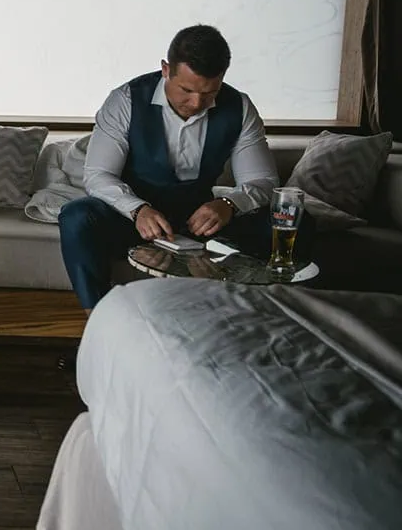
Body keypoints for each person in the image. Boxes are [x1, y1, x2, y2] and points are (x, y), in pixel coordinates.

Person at [57, 24, 307, 314]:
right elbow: (98, 175)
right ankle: (97, 316)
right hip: (135, 219)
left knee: (298, 222)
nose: (197, 103)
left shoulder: (239, 106)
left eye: (209, 92)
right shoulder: (125, 100)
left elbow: (262, 180)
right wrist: (137, 209)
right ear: (166, 69)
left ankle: (270, 315)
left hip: (203, 221)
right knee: (76, 217)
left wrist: (228, 204)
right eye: (186, 90)